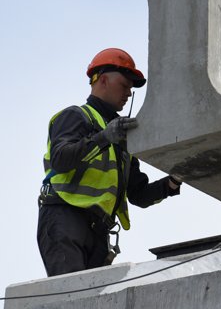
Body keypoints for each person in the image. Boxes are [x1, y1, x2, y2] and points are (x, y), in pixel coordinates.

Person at [37, 48, 183, 277]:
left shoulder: (121, 138)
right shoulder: (76, 116)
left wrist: (173, 181)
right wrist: (104, 137)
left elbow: (139, 194)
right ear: (103, 80)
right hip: (65, 218)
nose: (128, 93)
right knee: (71, 295)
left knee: (91, 305)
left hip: (99, 231)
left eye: (131, 89)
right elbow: (61, 159)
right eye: (124, 85)